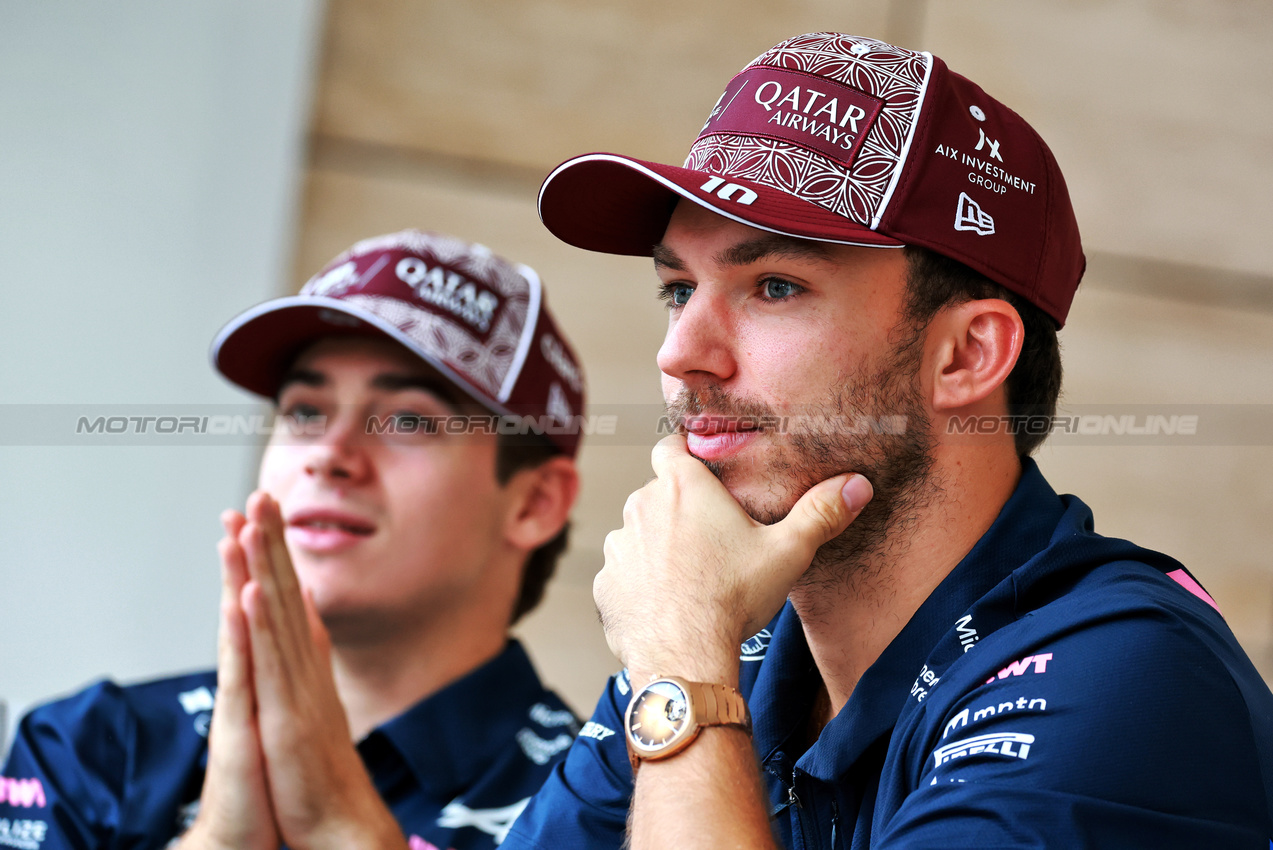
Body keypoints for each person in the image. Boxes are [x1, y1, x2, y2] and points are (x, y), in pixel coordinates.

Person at [507, 32, 1273, 848]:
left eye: (773, 287)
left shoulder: (1127, 676)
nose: (679, 354)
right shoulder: (727, 641)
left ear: (965, 355)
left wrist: (683, 672)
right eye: (678, 289)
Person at [1, 230, 588, 850]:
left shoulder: (603, 806)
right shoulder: (94, 748)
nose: (329, 456)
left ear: (534, 502)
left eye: (409, 419)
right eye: (305, 412)